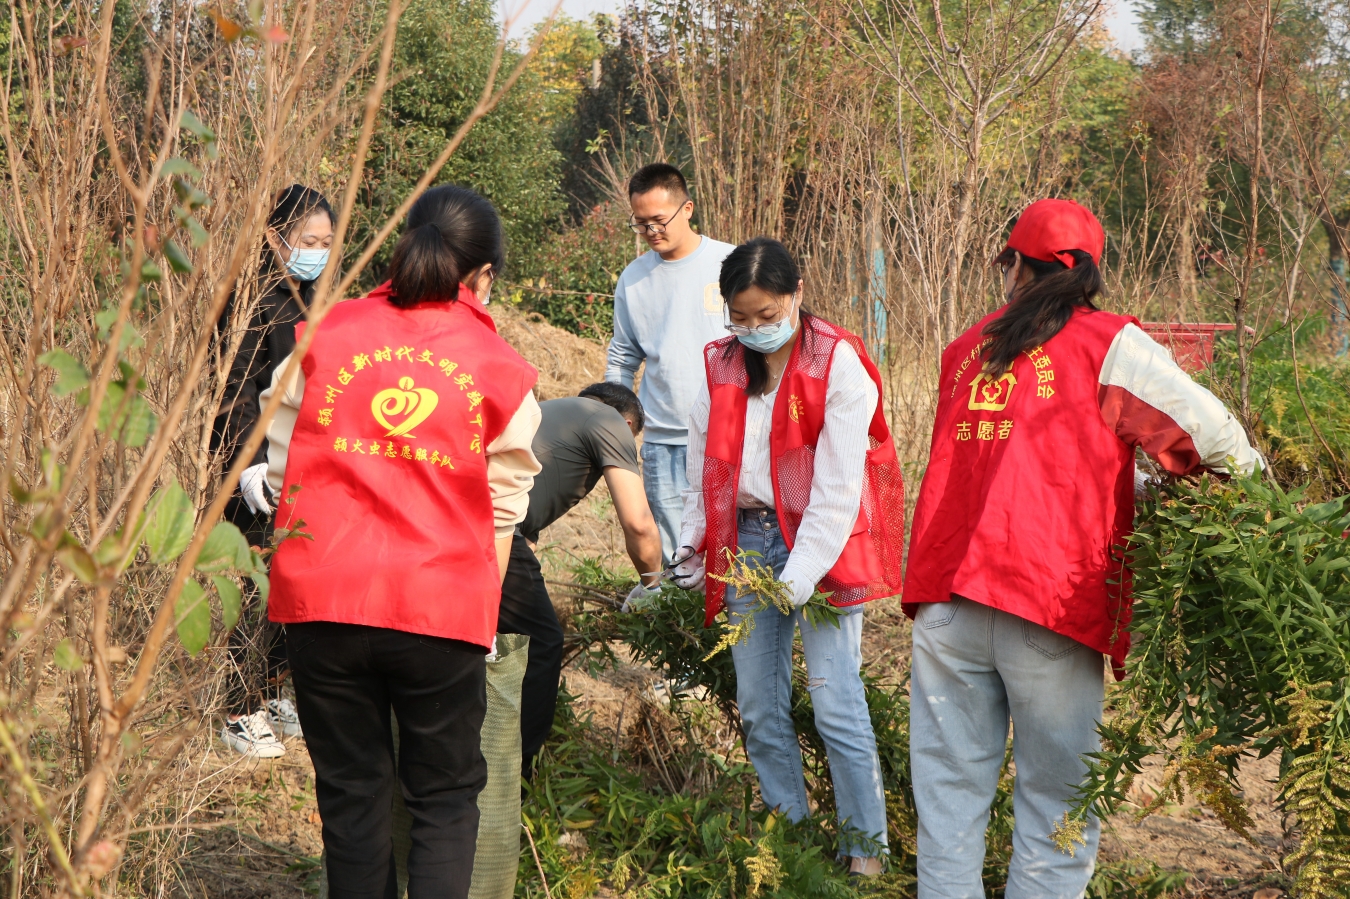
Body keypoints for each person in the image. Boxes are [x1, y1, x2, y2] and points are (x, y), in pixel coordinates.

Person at [903, 199, 1263, 898]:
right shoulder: (1109, 344)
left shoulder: (966, 349)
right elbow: (1212, 434)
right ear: (1091, 273)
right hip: (1046, 602)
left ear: (1014, 264)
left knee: (947, 807)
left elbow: (1000, 467)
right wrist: (1261, 504)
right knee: (1057, 813)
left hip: (948, 601)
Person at [261, 185, 541, 899]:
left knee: (351, 794)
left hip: (322, 599)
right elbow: (503, 512)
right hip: (439, 608)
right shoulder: (500, 365)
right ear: (484, 273)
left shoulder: (325, 331)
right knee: (443, 798)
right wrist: (480, 624)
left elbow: (281, 465)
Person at [673, 237, 905, 878]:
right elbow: (704, 471)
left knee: (836, 701)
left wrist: (798, 576)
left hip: (823, 545)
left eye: (767, 315)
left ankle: (865, 852)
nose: (753, 330)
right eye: (740, 317)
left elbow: (836, 491)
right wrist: (691, 549)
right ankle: (793, 844)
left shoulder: (838, 363)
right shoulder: (722, 366)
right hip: (747, 542)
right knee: (759, 706)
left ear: (796, 295)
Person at [212, 184, 335, 758]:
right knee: (256, 582)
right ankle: (237, 710)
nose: (317, 252)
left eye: (326, 243)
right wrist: (249, 465)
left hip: (297, 463)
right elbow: (234, 394)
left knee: (293, 579)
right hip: (255, 469)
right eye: (307, 240)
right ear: (274, 237)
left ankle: (271, 689)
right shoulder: (252, 304)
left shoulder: (310, 302)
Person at [503, 381, 663, 775]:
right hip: (492, 528)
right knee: (542, 641)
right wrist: (653, 584)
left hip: (476, 522)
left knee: (495, 637)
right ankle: (517, 773)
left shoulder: (547, 416)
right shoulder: (609, 420)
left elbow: (525, 539)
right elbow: (639, 524)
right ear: (629, 424)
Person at [605, 163, 735, 563]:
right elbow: (623, 355)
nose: (651, 231)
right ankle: (680, 606)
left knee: (733, 547)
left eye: (659, 220)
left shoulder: (730, 263)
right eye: (640, 223)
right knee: (678, 556)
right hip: (663, 441)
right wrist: (615, 420)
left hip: (728, 434)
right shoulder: (634, 279)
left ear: (687, 209)